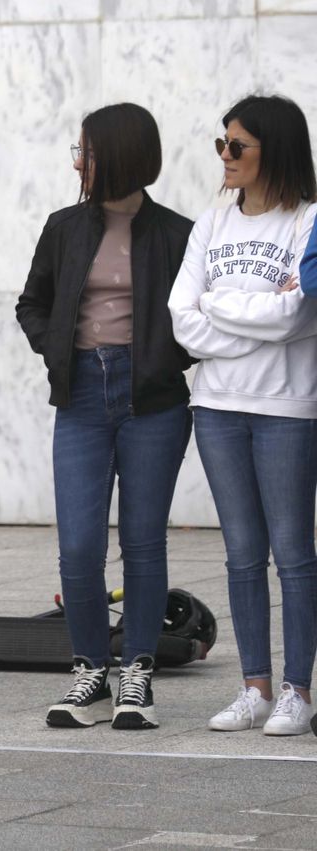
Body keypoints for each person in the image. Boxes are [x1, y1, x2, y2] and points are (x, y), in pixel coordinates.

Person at [15, 103, 195, 730]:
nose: (78, 163)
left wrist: (158, 359)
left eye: (86, 152)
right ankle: (90, 667)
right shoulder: (65, 227)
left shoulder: (178, 233)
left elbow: (198, 317)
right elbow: (31, 303)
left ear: (118, 156)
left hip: (154, 402)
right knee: (79, 545)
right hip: (82, 398)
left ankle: (137, 672)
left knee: (143, 544)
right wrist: (58, 350)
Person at [166, 94, 317, 736]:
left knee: (293, 553)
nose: (225, 157)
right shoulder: (212, 220)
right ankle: (254, 686)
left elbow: (298, 315)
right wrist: (253, 319)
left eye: (238, 147)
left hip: (286, 407)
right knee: (241, 554)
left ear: (273, 151)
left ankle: (297, 690)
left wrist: (220, 305)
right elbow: (182, 318)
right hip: (217, 406)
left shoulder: (308, 221)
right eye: (221, 145)